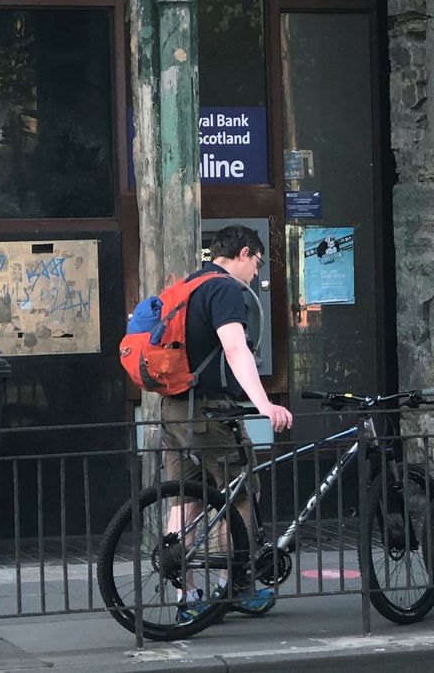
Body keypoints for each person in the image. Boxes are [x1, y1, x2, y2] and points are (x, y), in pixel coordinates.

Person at [161, 224, 293, 623]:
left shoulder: (188, 286)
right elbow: (236, 349)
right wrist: (264, 404)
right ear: (244, 253)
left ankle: (186, 596)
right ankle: (234, 586)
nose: (256, 271)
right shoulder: (224, 290)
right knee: (237, 492)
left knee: (183, 499)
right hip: (211, 412)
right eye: (257, 262)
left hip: (174, 409)